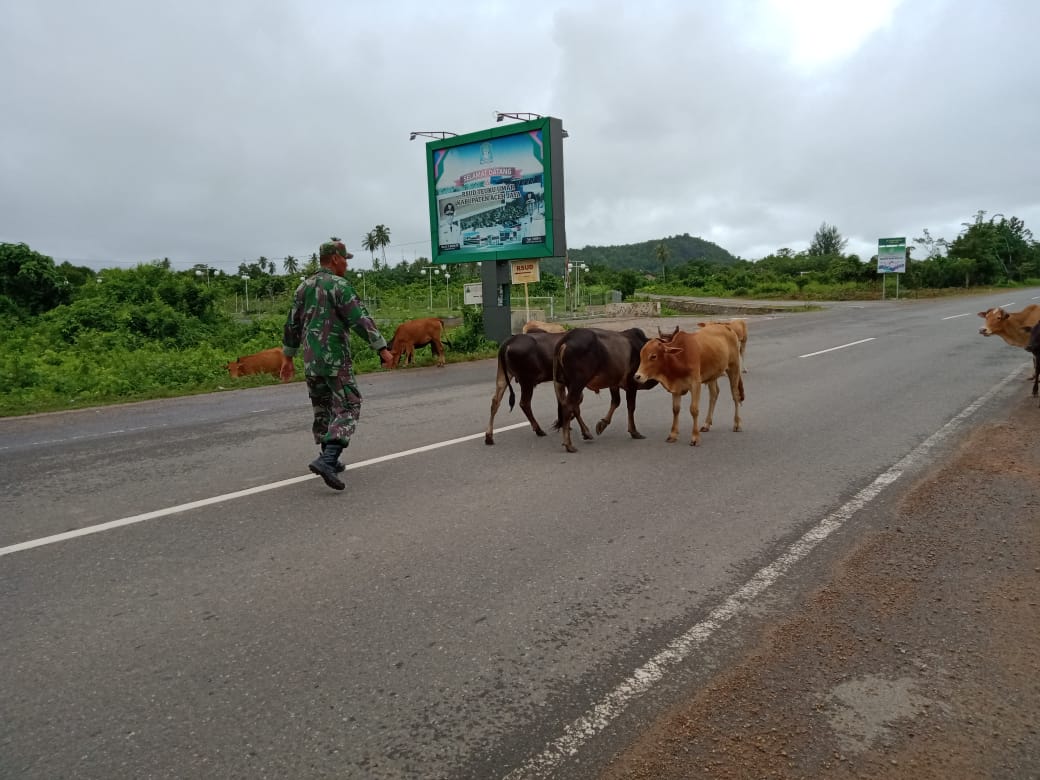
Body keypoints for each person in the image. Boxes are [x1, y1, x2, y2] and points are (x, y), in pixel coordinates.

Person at [281, 237, 394, 490]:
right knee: (349, 404)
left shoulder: (303, 287)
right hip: (335, 360)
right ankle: (328, 459)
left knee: (324, 408)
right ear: (334, 259)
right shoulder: (340, 286)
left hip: (311, 360)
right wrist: (382, 348)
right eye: (345, 259)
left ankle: (329, 457)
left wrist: (288, 357)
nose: (347, 264)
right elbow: (359, 319)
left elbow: (292, 324)